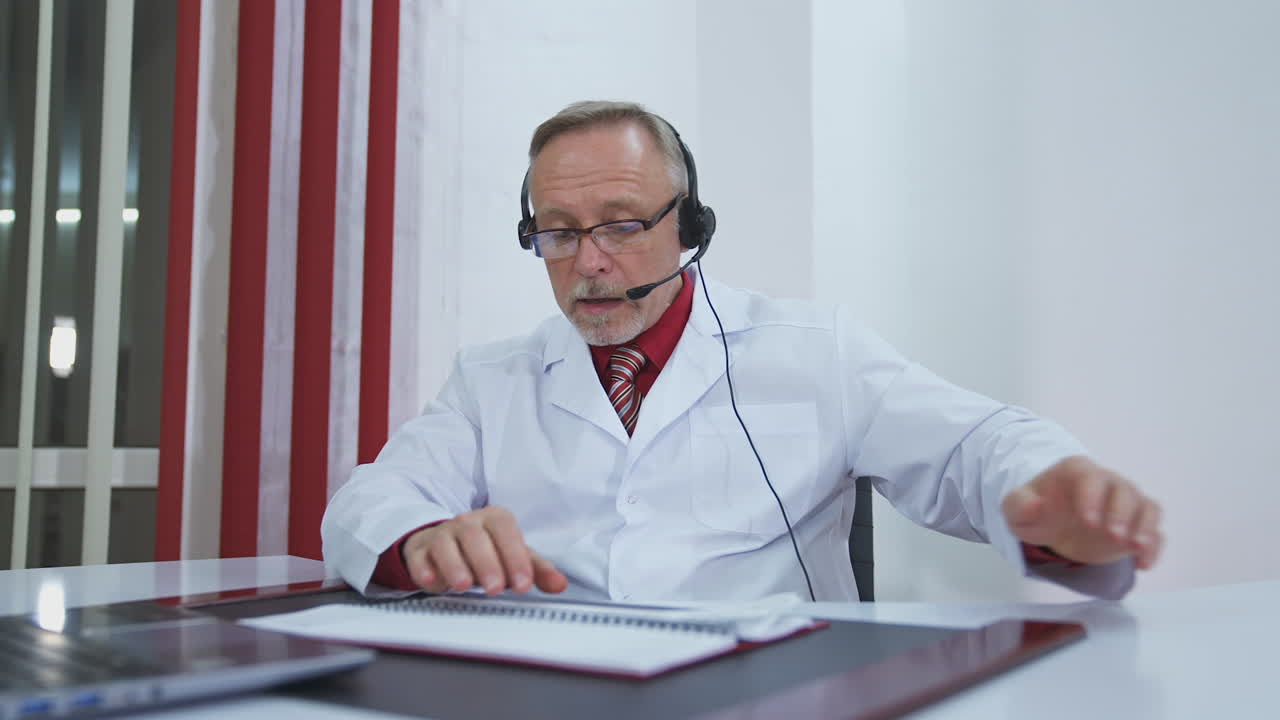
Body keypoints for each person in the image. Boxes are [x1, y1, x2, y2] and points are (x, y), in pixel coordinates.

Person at [321, 100, 1163, 602]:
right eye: (558, 232)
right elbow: (369, 501)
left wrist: (1051, 495)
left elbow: (975, 445)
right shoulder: (490, 380)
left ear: (688, 225)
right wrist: (419, 538)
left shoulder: (813, 350)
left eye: (621, 224)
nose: (589, 261)